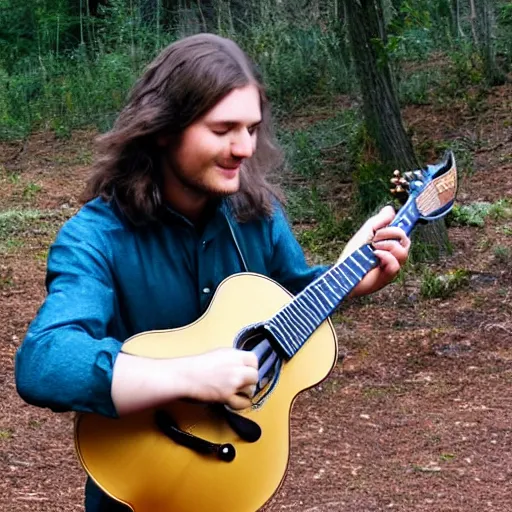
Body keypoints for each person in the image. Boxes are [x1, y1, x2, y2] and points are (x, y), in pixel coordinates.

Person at [14, 33, 410, 511]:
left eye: (251, 128)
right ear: (163, 128)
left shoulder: (256, 215)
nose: (244, 148)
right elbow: (45, 362)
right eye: (224, 129)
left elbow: (284, 304)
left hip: (232, 480)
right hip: (140, 488)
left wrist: (350, 277)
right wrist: (191, 376)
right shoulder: (95, 237)